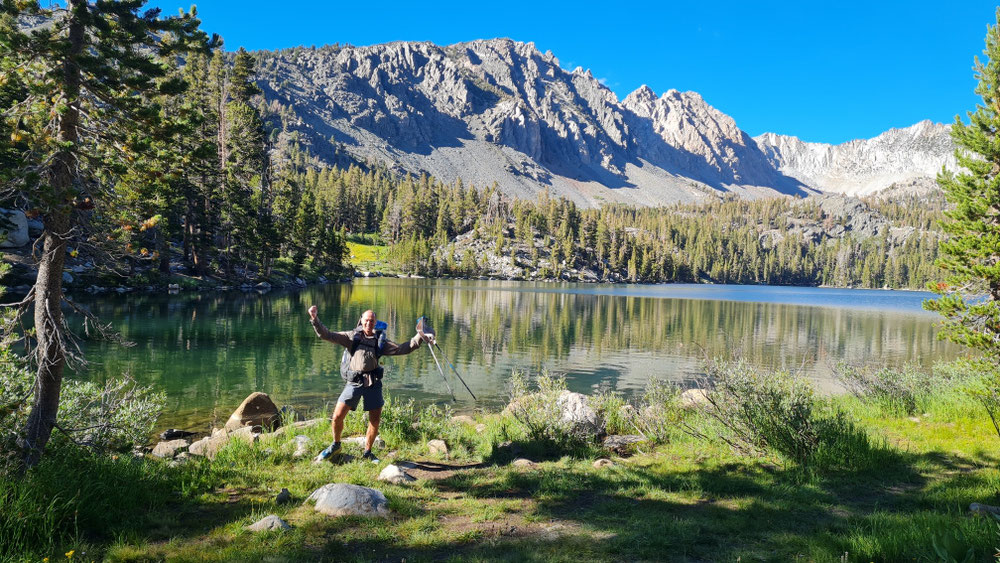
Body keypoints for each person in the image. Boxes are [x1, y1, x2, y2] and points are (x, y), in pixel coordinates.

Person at [308, 305, 432, 463]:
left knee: (374, 420)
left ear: (375, 323)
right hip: (354, 383)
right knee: (337, 416)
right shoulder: (351, 337)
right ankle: (336, 445)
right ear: (361, 321)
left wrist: (420, 336)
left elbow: (403, 349)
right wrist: (314, 319)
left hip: (373, 384)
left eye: (372, 321)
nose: (368, 324)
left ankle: (368, 452)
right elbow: (326, 335)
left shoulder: (380, 342)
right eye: (366, 320)